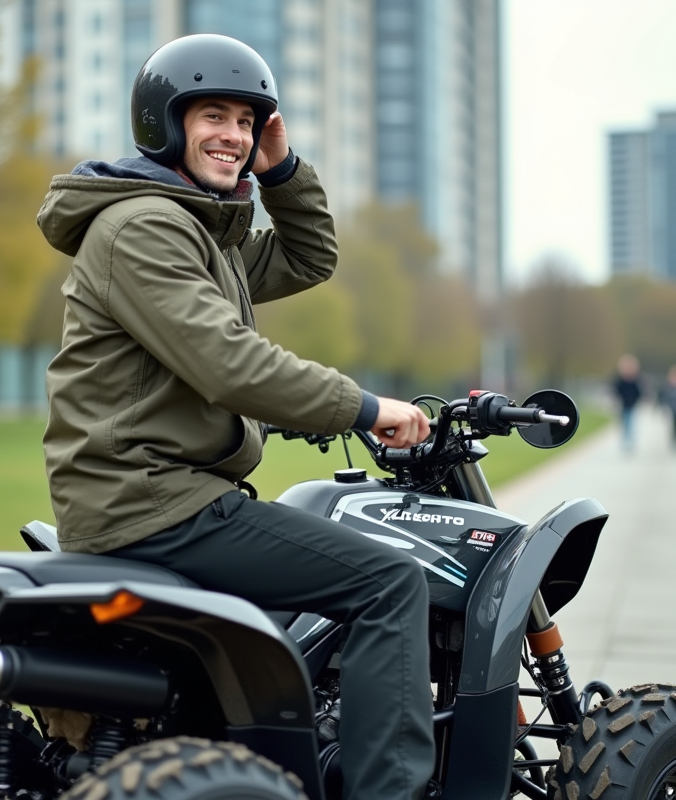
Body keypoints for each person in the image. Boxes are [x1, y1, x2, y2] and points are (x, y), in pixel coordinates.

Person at [37, 34, 434, 800]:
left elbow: (310, 256)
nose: (234, 135)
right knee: (389, 582)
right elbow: (230, 364)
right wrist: (365, 407)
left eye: (248, 121)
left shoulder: (202, 235)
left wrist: (279, 170)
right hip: (157, 501)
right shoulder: (146, 228)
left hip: (147, 494)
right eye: (213, 115)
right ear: (165, 122)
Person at [612, 353, 642, 451]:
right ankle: (625, 440)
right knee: (625, 423)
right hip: (623, 404)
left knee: (630, 422)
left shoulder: (635, 381)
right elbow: (616, 390)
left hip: (632, 404)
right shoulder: (620, 380)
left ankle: (629, 441)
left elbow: (639, 392)